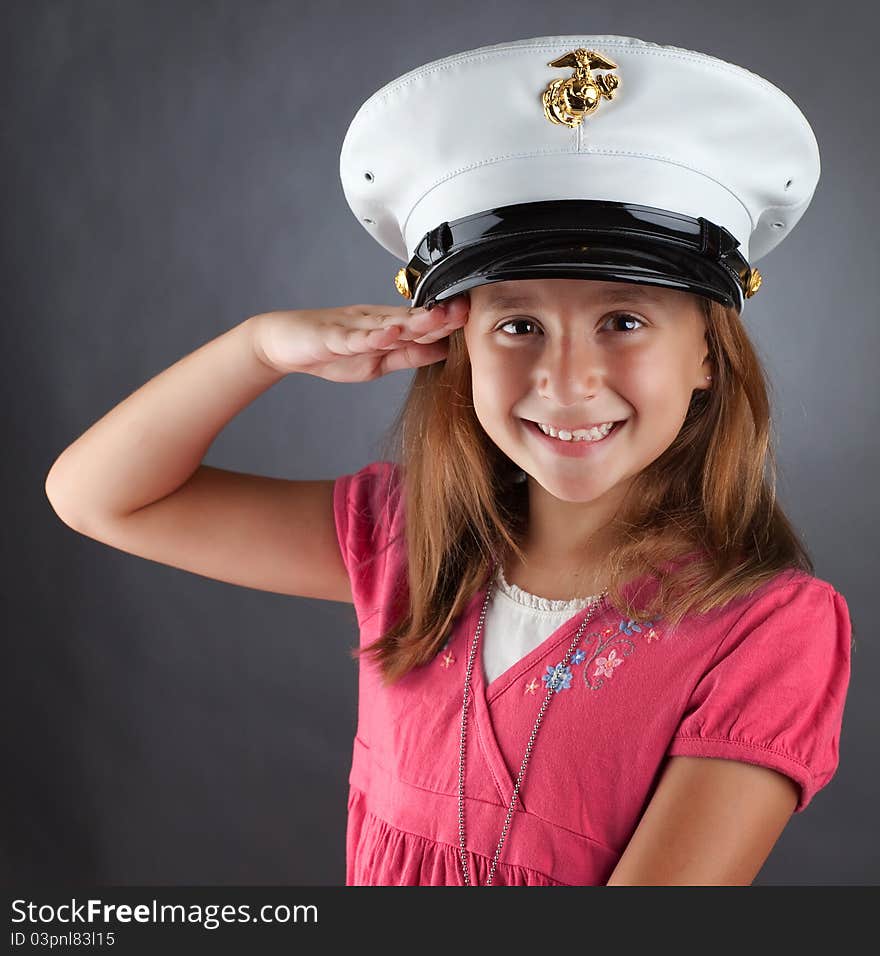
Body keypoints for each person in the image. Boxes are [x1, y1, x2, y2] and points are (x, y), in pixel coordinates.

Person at [44, 35, 854, 886]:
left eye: (624, 321)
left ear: (708, 357)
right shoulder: (406, 540)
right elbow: (98, 497)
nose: (567, 381)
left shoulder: (769, 628)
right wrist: (259, 348)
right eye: (517, 325)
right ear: (457, 348)